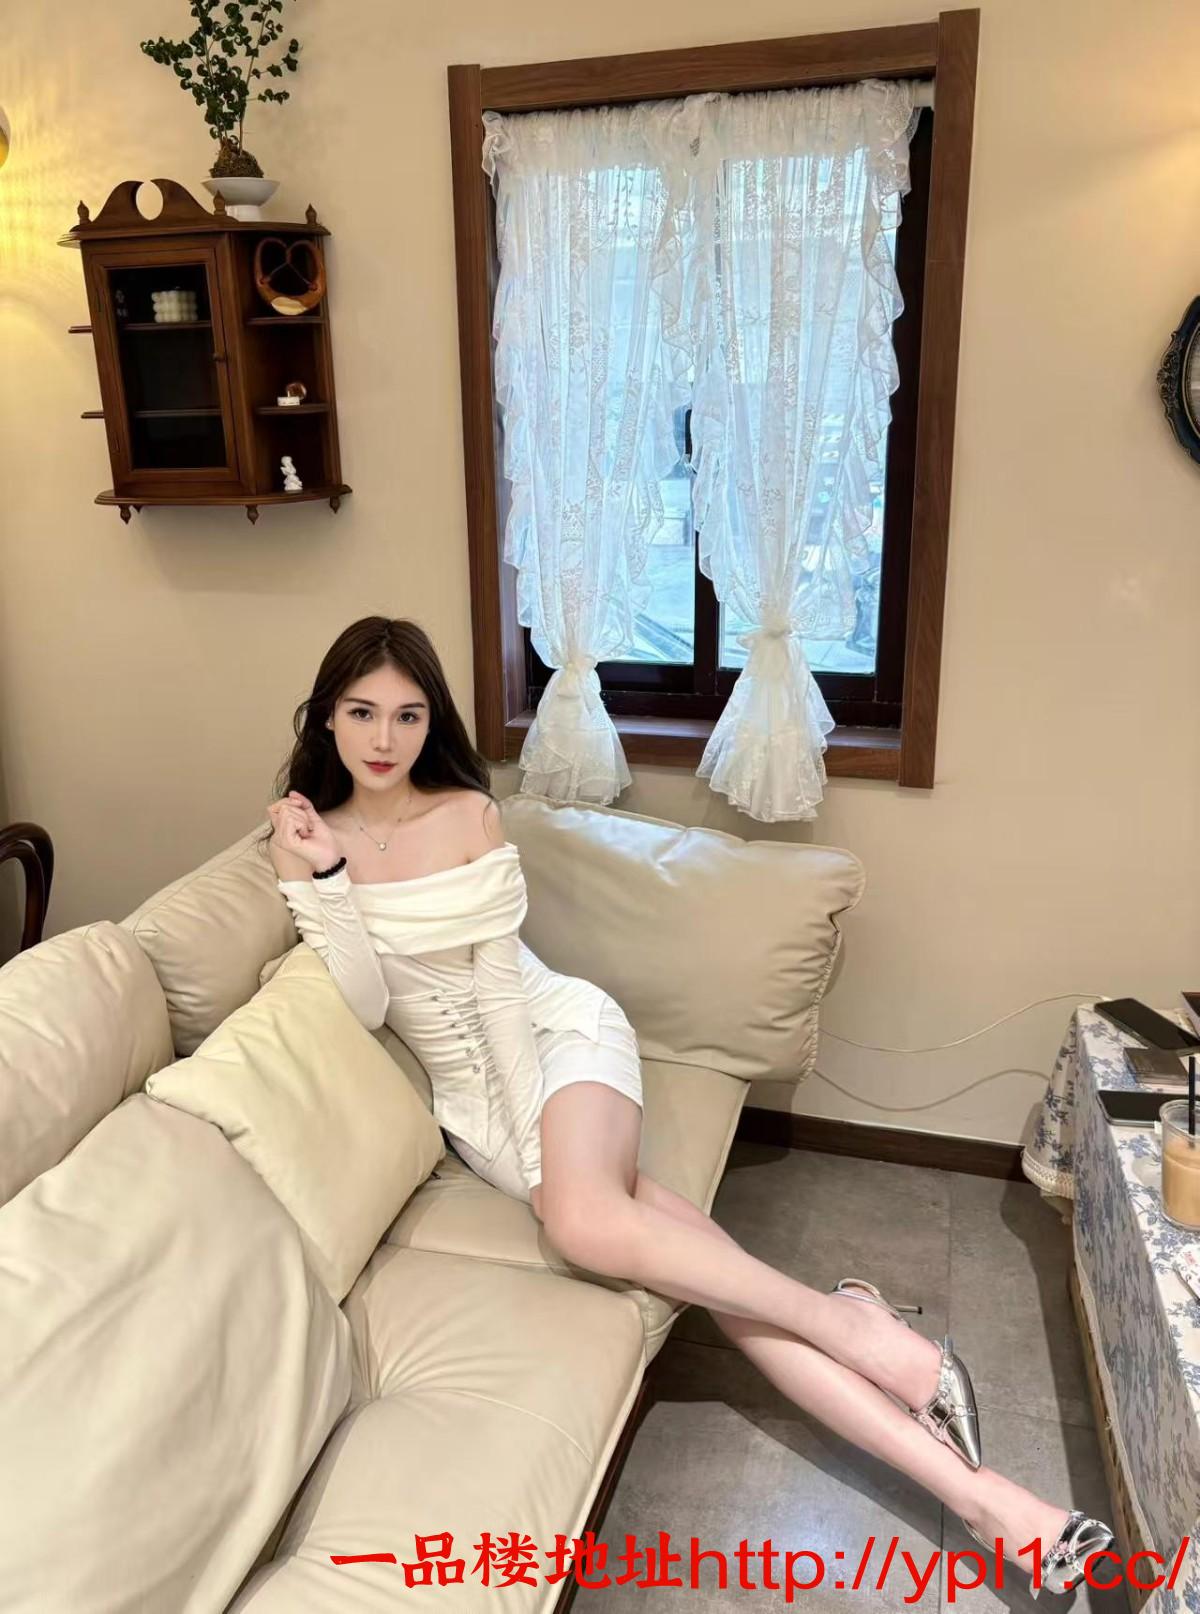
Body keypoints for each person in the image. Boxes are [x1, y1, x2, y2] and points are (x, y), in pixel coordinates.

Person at [262, 615, 1114, 1600]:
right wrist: (327, 875)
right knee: (722, 1287)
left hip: (558, 1043)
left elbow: (501, 995)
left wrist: (547, 1159)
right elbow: (369, 1002)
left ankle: (853, 1330)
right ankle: (982, 1497)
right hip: (477, 1112)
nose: (384, 738)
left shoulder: (465, 812)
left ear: (431, 722)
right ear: (327, 717)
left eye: (408, 715)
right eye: (362, 712)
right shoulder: (302, 839)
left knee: (582, 1220)